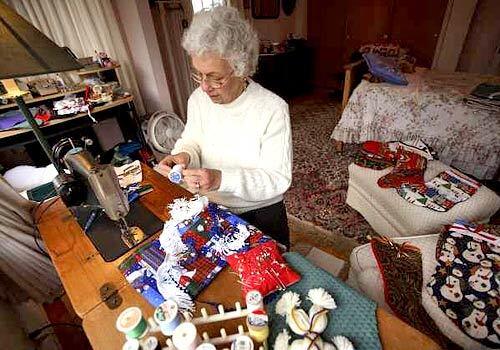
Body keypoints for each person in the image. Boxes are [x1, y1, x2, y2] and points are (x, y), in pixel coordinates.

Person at [156, 6, 292, 247]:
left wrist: (220, 179)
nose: (205, 87)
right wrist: (183, 155)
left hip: (259, 216)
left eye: (215, 77)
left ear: (241, 68)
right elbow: (193, 140)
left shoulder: (272, 108)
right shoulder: (198, 99)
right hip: (210, 208)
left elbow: (277, 179)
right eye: (198, 74)